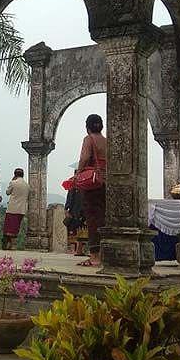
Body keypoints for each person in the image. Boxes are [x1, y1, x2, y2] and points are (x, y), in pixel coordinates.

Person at [77, 114, 107, 267]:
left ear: (87, 126)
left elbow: (84, 157)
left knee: (92, 219)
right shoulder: (107, 141)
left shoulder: (88, 139)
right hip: (106, 182)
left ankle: (94, 256)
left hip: (92, 183)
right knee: (103, 217)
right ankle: (103, 253)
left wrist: (78, 173)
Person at [3, 168, 30, 250]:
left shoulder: (13, 183)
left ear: (15, 175)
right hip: (21, 210)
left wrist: (12, 180)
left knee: (9, 227)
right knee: (16, 227)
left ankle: (9, 244)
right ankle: (13, 244)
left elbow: (7, 192)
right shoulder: (27, 185)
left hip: (12, 208)